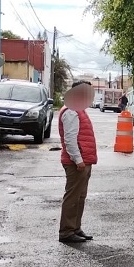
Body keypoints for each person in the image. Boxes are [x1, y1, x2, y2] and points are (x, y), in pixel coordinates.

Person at [58, 81, 98, 244]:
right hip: (76, 162)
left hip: (83, 161)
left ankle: (75, 228)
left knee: (80, 196)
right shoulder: (71, 111)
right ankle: (66, 231)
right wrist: (78, 160)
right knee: (73, 196)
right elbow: (70, 139)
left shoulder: (78, 109)